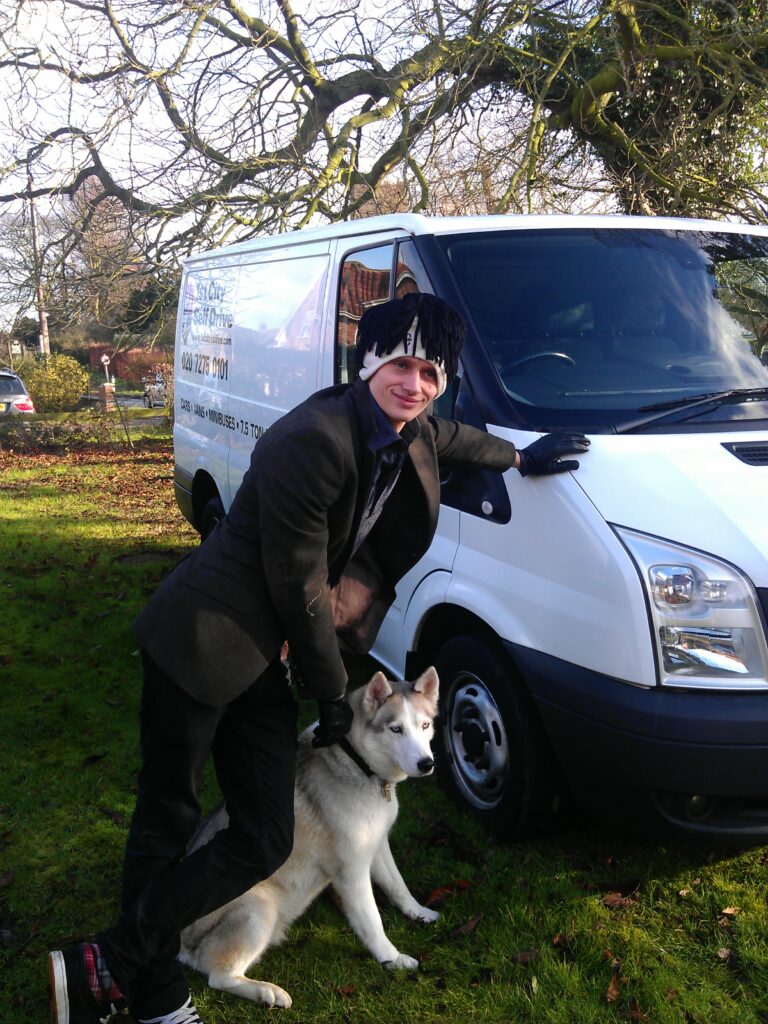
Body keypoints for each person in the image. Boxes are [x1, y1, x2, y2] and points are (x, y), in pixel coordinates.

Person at [48, 292, 589, 1024]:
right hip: (203, 638)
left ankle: (109, 959)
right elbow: (300, 586)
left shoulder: (408, 426)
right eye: (401, 365)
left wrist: (521, 455)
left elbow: (454, 438)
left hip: (263, 657)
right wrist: (335, 694)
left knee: (265, 834)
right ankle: (152, 992)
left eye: (431, 372)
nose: (415, 384)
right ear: (367, 364)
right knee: (168, 816)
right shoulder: (314, 440)